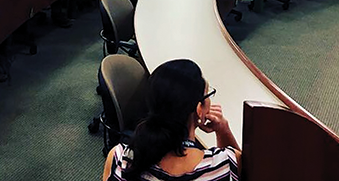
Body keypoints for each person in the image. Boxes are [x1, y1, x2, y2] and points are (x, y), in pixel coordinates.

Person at [101, 59, 240, 181]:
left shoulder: (119, 159)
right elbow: (246, 172)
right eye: (208, 94)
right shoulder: (223, 166)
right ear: (199, 109)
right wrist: (223, 130)